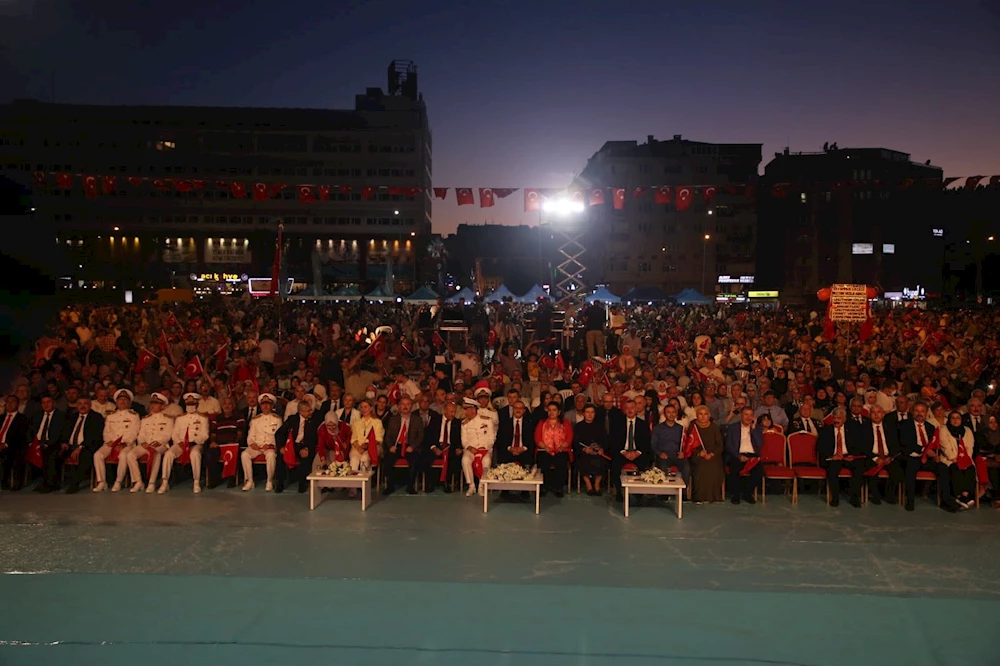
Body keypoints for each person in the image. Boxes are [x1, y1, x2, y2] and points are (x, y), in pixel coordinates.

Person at [898, 402, 945, 512]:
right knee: (911, 468)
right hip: (912, 456)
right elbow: (906, 442)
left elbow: (934, 444)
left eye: (922, 411)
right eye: (917, 411)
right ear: (912, 412)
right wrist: (924, 450)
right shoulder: (905, 425)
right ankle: (910, 501)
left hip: (927, 458)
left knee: (943, 468)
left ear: (926, 413)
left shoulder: (930, 427)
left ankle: (945, 500)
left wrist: (936, 455)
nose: (919, 413)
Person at [160, 392, 210, 494]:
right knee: (169, 454)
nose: (190, 407)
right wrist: (179, 443)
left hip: (195, 444)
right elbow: (175, 434)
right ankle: (165, 482)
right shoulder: (180, 418)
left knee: (195, 454)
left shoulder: (203, 418)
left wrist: (193, 443)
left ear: (197, 405)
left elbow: (205, 435)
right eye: (188, 405)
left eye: (192, 404)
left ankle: (196, 482)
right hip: (181, 444)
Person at [93, 389, 140, 492]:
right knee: (98, 455)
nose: (122, 402)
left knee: (123, 455)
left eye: (125, 400)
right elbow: (106, 431)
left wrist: (123, 442)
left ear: (129, 402)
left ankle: (118, 481)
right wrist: (109, 441)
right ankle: (102, 482)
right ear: (116, 402)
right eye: (120, 400)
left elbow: (134, 432)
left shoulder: (134, 415)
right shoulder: (111, 415)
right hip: (111, 443)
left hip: (127, 444)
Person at [817, 407, 864, 508]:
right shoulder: (826, 430)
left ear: (844, 419)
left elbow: (858, 446)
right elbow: (820, 448)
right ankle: (835, 498)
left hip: (848, 457)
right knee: (833, 470)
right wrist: (832, 456)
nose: (836, 420)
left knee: (859, 468)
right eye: (834, 417)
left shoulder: (852, 430)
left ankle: (855, 497)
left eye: (839, 418)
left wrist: (853, 455)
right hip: (833, 458)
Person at [127, 392, 173, 493]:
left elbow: (168, 435)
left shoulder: (168, 419)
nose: (153, 406)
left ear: (162, 406)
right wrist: (143, 442)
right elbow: (141, 433)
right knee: (130, 454)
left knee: (156, 454)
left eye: (156, 404)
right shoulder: (145, 419)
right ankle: (138, 481)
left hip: (160, 445)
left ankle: (152, 482)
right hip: (146, 444)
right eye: (152, 403)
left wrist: (159, 442)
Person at [274, 399, 321, 493]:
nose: (310, 412)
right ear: (301, 411)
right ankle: (280, 483)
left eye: (310, 410)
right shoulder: (292, 419)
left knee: (305, 457)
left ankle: (302, 484)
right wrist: (281, 447)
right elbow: (279, 433)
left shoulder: (313, 421)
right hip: (291, 445)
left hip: (305, 445)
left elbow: (314, 438)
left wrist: (307, 448)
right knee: (280, 457)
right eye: (308, 411)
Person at [381, 396, 424, 495]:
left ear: (412, 406)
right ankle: (390, 486)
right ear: (399, 407)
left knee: (414, 460)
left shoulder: (417, 419)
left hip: (410, 446)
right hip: (396, 446)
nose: (405, 406)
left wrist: (412, 446)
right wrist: (391, 446)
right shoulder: (393, 419)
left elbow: (420, 436)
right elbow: (388, 436)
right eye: (403, 404)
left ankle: (410, 486)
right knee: (387, 460)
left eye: (408, 404)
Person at [610, 399, 651, 499]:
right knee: (615, 466)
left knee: (645, 464)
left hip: (638, 453)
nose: (630, 410)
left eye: (632, 408)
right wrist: (624, 452)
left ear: (636, 409)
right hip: (622, 453)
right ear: (624, 410)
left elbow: (646, 442)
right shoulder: (617, 423)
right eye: (627, 408)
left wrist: (637, 452)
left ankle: (639, 493)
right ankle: (619, 492)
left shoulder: (643, 424)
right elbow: (613, 441)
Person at [862, 405, 902, 505]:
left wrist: (890, 457)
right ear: (869, 415)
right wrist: (875, 458)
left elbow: (896, 445)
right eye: (873, 412)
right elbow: (863, 447)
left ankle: (889, 495)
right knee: (872, 469)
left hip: (888, 457)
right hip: (872, 457)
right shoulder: (864, 427)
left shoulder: (890, 427)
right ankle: (875, 496)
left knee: (897, 470)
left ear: (883, 414)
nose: (876, 414)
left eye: (879, 412)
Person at [242, 393, 282, 491]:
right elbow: (250, 435)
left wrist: (270, 444)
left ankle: (269, 481)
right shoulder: (255, 420)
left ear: (272, 406)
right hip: (257, 445)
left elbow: (279, 436)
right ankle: (250, 481)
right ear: (260, 405)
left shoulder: (277, 419)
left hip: (269, 446)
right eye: (263, 404)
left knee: (271, 456)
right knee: (244, 454)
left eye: (268, 404)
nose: (265, 406)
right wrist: (252, 443)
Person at [937, 410, 976, 510]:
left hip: (965, 458)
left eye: (958, 418)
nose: (955, 420)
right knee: (955, 468)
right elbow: (945, 446)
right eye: (953, 418)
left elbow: (970, 447)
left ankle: (964, 496)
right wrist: (954, 458)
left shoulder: (967, 430)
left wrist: (965, 459)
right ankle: (958, 496)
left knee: (970, 468)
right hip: (949, 458)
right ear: (949, 419)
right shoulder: (943, 429)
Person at [724, 406, 763, 505]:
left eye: (750, 415)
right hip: (737, 454)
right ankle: (736, 495)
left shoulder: (757, 428)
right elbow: (728, 445)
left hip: (752, 455)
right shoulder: (733, 427)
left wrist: (753, 429)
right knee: (735, 467)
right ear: (741, 415)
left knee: (759, 471)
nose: (748, 417)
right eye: (746, 414)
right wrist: (738, 455)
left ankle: (747, 493)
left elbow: (759, 444)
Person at [534, 400, 574, 497]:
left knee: (561, 461)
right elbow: (537, 438)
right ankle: (544, 487)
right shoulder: (541, 423)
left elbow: (569, 437)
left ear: (559, 412)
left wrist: (562, 446)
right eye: (549, 410)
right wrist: (545, 447)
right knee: (544, 460)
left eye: (554, 410)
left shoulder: (565, 423)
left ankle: (558, 487)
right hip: (544, 450)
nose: (551, 412)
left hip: (561, 450)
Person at [206, 397, 245, 489]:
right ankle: (215, 479)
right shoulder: (217, 418)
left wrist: (234, 442)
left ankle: (232, 478)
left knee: (232, 451)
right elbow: (213, 433)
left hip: (233, 443)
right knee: (210, 453)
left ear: (233, 406)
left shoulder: (239, 417)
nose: (227, 406)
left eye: (229, 404)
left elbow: (240, 433)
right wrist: (213, 442)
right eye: (225, 404)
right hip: (219, 444)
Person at [688, 405, 724, 503]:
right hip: (698, 455)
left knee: (714, 467)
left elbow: (720, 445)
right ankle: (699, 496)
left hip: (713, 455)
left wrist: (711, 454)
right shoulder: (693, 426)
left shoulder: (714, 427)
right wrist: (699, 453)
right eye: (700, 414)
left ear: (709, 415)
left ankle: (712, 497)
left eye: (705, 414)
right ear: (697, 415)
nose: (703, 417)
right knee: (701, 466)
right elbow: (689, 445)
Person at [460, 397, 496, 496]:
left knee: (486, 461)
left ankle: (481, 485)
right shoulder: (464, 424)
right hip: (471, 449)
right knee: (465, 460)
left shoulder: (487, 420)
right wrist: (470, 448)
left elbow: (492, 437)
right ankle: (472, 486)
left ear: (473, 409)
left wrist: (485, 447)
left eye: (467, 409)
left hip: (485, 449)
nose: (465, 412)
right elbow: (464, 441)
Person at [574, 404, 610, 496]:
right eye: (587, 412)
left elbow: (606, 440)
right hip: (584, 452)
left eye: (592, 412)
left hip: (598, 452)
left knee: (602, 461)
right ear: (583, 414)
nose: (590, 414)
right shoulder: (578, 426)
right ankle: (589, 485)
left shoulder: (600, 426)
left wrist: (602, 449)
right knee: (581, 460)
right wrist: (583, 449)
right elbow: (575, 443)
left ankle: (597, 484)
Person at [650, 403, 688, 486]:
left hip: (677, 456)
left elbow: (686, 444)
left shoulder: (681, 428)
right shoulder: (658, 428)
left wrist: (683, 453)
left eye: (673, 412)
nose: (671, 414)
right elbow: (653, 444)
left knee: (686, 467)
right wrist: (660, 453)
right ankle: (664, 494)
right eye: (668, 412)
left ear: (676, 413)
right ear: (664, 414)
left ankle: (683, 493)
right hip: (664, 456)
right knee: (662, 466)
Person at [0, 394, 30, 490]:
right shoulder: (0, 418)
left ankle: (10, 482)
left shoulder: (23, 419)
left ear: (17, 404)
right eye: (8, 402)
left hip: (14, 446)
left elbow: (21, 436)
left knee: (13, 454)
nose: (10, 404)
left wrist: (6, 444)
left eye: (12, 401)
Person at [350, 398, 382, 475]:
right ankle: (353, 485)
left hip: (371, 448)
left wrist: (367, 446)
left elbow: (379, 439)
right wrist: (358, 447)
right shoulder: (356, 423)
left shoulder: (377, 422)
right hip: (358, 447)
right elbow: (353, 439)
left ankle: (364, 485)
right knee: (354, 459)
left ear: (371, 408)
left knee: (364, 459)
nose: (363, 409)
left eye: (365, 407)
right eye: (362, 407)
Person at [975, 415, 1000, 505]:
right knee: (993, 469)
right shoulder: (980, 434)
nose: (994, 425)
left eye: (995, 422)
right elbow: (980, 450)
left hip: (996, 460)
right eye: (991, 423)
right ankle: (996, 498)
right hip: (984, 460)